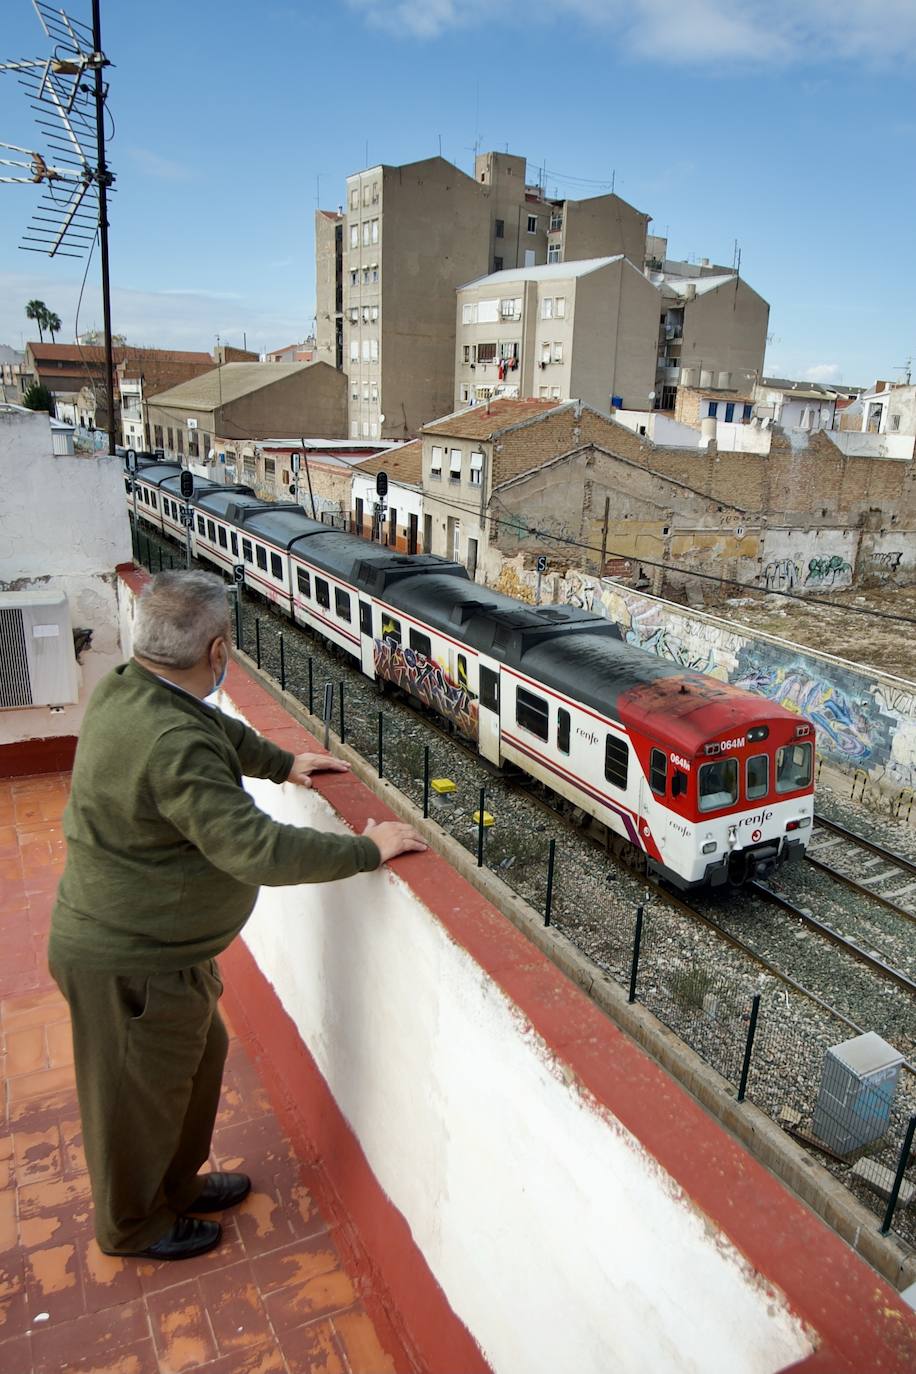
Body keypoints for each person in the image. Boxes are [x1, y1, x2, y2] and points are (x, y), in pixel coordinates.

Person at [49, 570, 425, 1262]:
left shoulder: (133, 689)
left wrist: (282, 763)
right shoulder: (171, 742)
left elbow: (213, 727)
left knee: (195, 1063)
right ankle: (133, 1224)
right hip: (130, 960)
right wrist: (363, 851)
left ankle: (176, 1184)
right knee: (138, 1100)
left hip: (161, 949)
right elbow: (259, 849)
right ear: (219, 652)